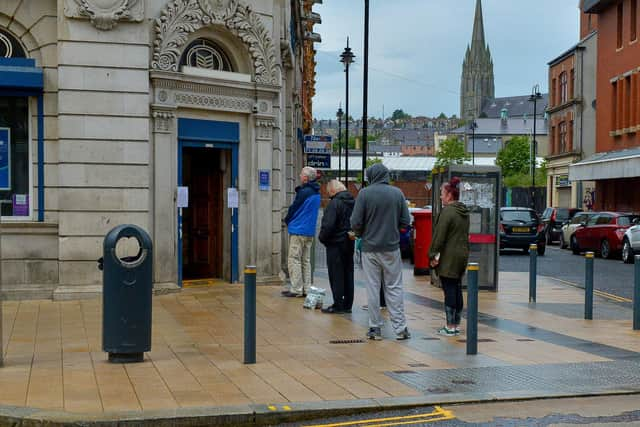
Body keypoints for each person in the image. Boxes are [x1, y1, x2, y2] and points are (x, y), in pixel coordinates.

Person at [351, 163, 412, 341]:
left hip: (370, 248)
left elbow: (355, 222)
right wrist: (393, 230)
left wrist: (362, 234)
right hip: (391, 248)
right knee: (394, 287)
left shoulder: (364, 194)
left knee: (372, 288)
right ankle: (400, 328)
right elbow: (405, 221)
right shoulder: (397, 193)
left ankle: (374, 327)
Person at [429, 176, 470, 337]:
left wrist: (432, 255)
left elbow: (439, 237)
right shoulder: (463, 211)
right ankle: (457, 324)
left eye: (442, 193)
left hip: (449, 257)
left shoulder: (447, 212)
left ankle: (450, 326)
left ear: (449, 195)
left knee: (449, 289)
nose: (440, 196)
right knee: (457, 288)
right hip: (462, 255)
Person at [282, 166, 321, 298]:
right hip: (309, 231)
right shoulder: (316, 192)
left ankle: (296, 288)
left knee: (294, 259)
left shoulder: (304, 192)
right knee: (306, 260)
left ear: (305, 177)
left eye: (301, 174)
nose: (299, 176)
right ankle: (307, 288)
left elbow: (294, 208)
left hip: (298, 230)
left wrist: (287, 219)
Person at [318, 180, 355, 313]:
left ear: (333, 190)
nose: (329, 195)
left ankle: (338, 304)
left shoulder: (335, 203)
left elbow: (328, 225)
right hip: (349, 242)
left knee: (336, 274)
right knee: (348, 273)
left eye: (328, 193)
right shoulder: (353, 202)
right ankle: (347, 305)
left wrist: (322, 238)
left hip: (335, 244)